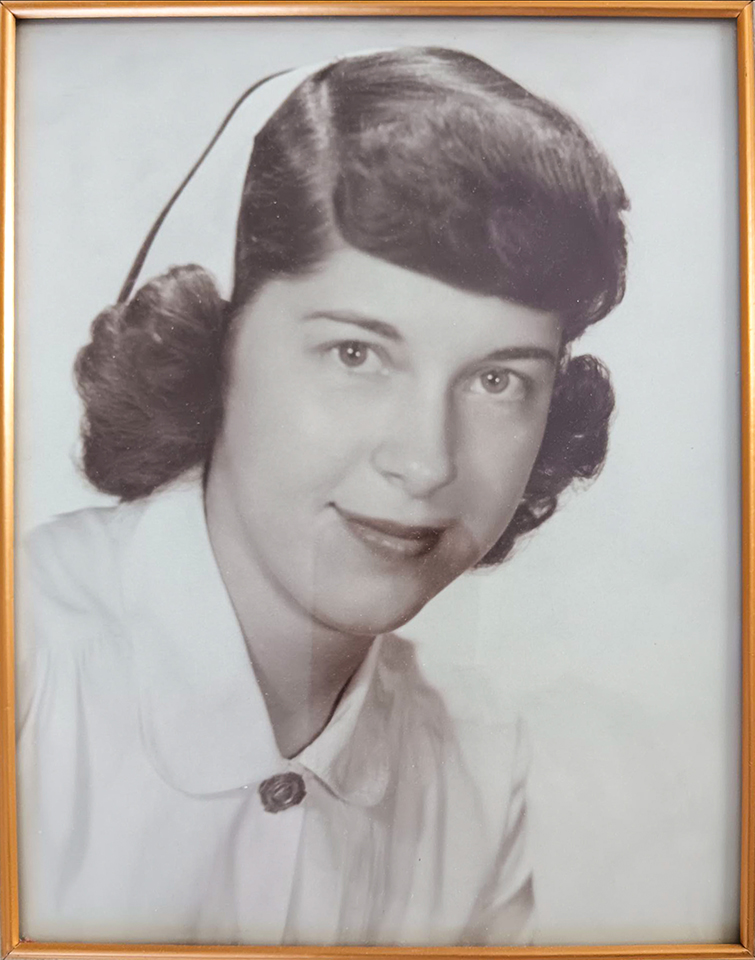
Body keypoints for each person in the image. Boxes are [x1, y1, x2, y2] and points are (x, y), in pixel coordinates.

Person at [16, 47, 628, 946]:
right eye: (356, 354)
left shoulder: (476, 762)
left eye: (498, 380)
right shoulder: (23, 660)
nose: (425, 461)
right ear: (213, 344)